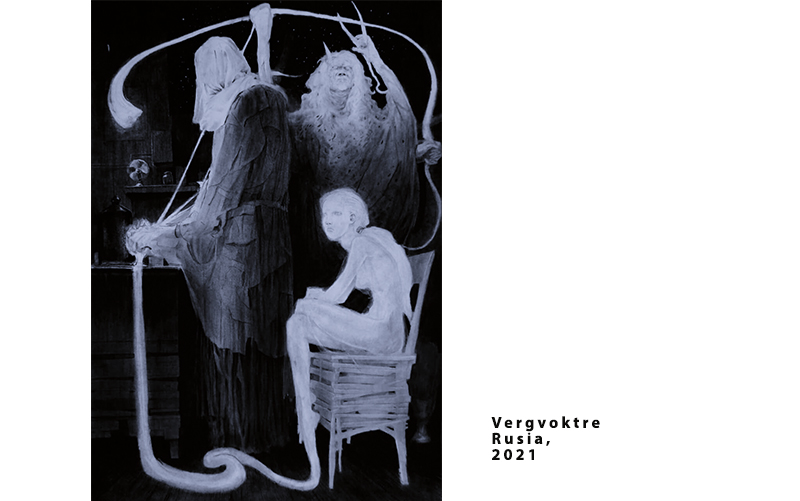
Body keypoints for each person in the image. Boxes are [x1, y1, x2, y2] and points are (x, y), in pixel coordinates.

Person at [126, 35, 295, 454]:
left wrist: (162, 236)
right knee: (262, 336)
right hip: (270, 237)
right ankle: (264, 436)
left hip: (243, 242)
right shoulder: (266, 97)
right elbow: (218, 190)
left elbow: (220, 197)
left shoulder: (246, 104)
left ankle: (240, 438)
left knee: (235, 335)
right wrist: (175, 227)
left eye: (203, 73)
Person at [288, 33, 423, 295]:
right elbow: (273, 124)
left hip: (361, 231)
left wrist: (375, 59)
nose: (341, 69)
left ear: (359, 78)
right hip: (315, 233)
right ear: (322, 78)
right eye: (335, 66)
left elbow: (401, 120)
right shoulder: (305, 122)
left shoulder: (371, 123)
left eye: (348, 67)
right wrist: (263, 44)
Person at [285, 188, 413, 444]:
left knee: (302, 310)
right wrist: (314, 298)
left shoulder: (363, 243)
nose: (327, 221)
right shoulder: (375, 238)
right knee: (297, 322)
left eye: (336, 214)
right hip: (386, 331)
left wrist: (311, 299)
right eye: (325, 215)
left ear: (352, 218)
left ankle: (306, 408)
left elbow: (338, 295)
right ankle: (306, 407)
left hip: (383, 334)